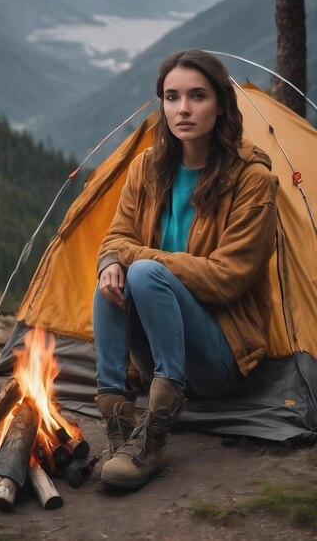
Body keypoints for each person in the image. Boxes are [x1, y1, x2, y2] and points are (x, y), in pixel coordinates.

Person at [93, 49, 278, 490]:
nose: (183, 109)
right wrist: (111, 262)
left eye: (197, 96)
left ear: (220, 104)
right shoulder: (148, 167)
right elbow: (115, 238)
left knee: (140, 272)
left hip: (220, 354)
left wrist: (138, 258)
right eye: (172, 97)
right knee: (112, 276)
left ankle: (153, 439)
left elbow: (227, 277)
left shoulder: (252, 179)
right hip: (154, 351)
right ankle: (120, 430)